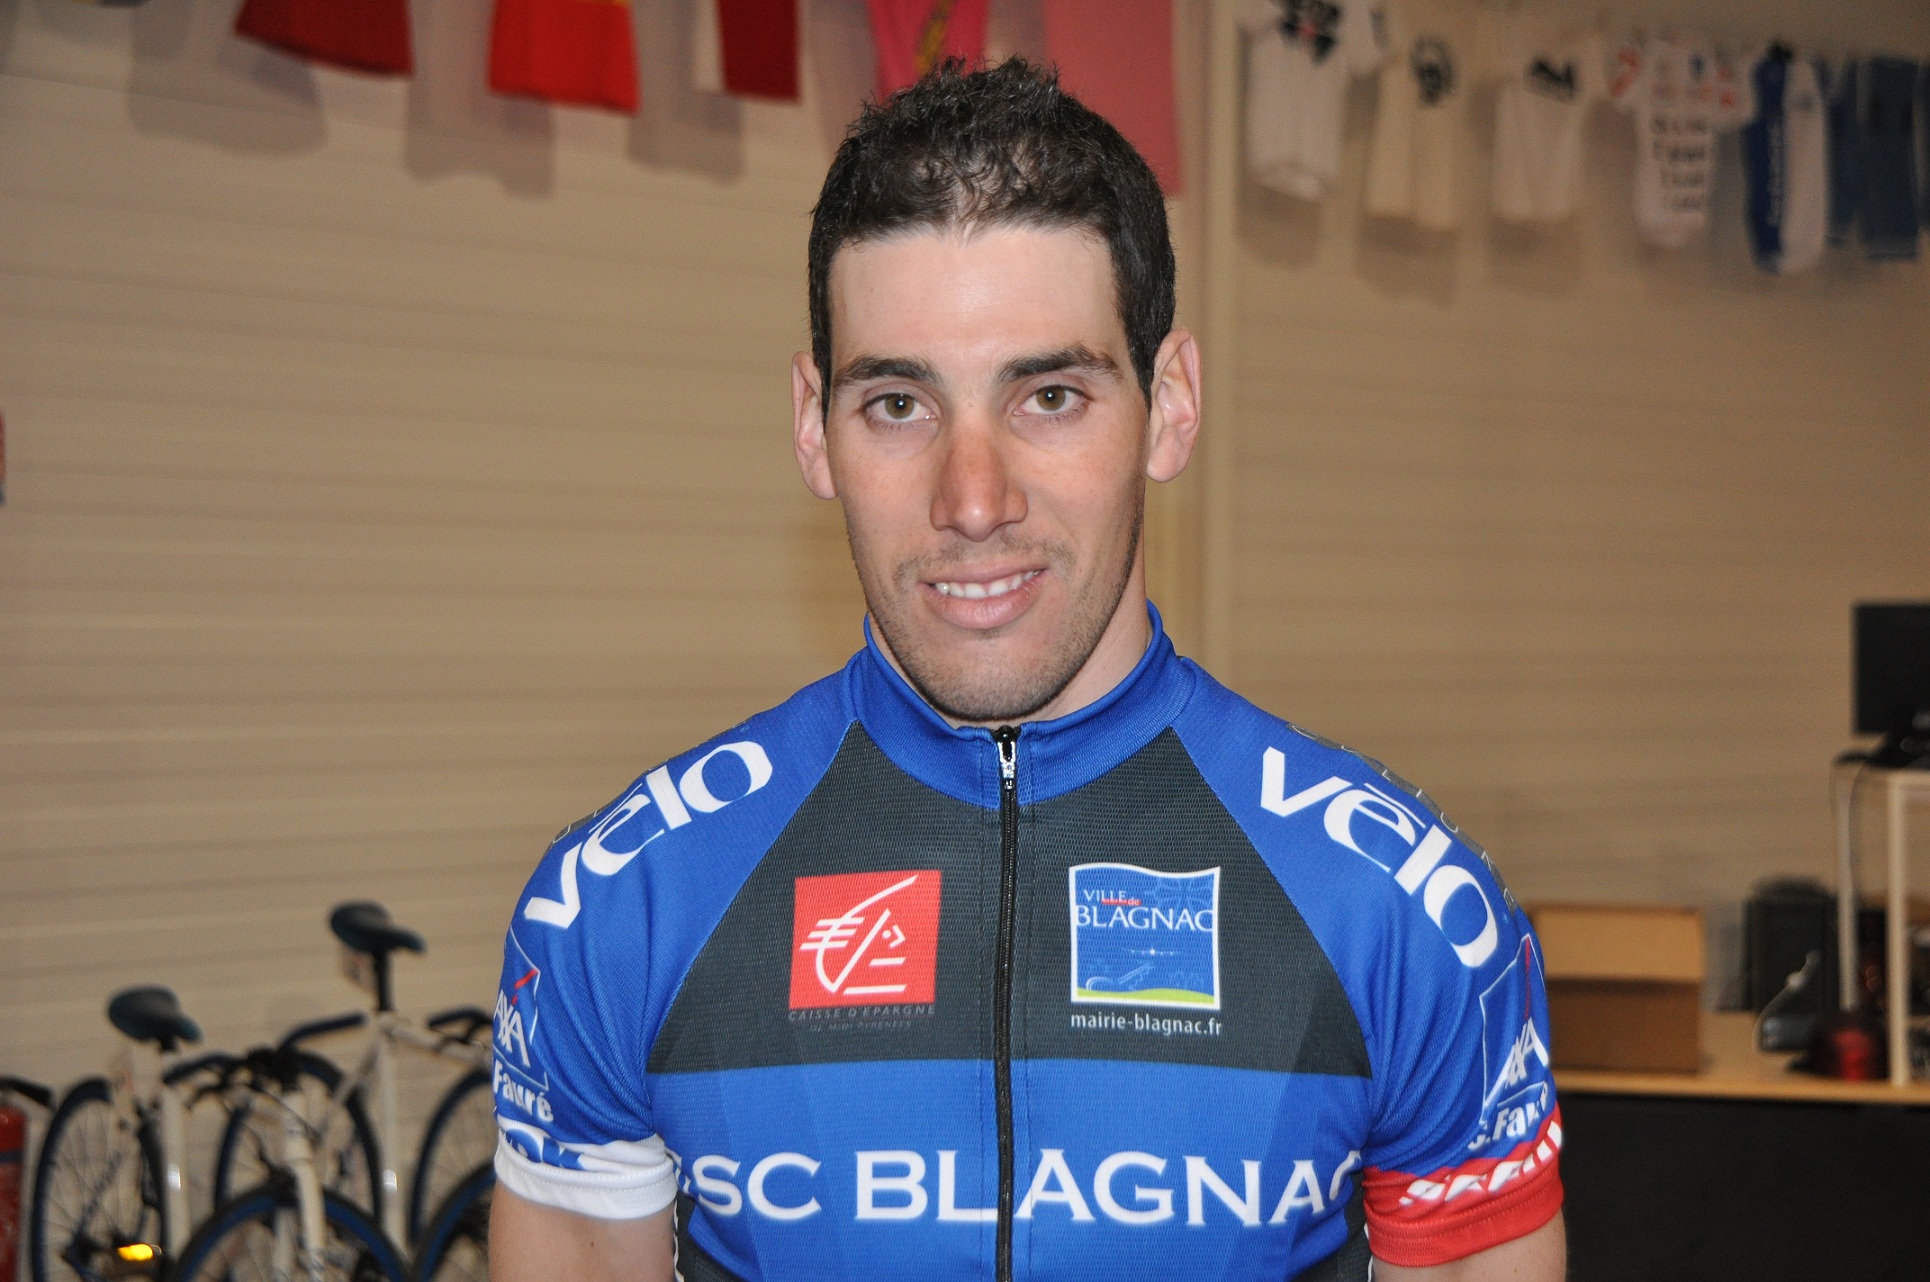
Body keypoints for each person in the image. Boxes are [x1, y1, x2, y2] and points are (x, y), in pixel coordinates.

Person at [488, 58, 1565, 1282]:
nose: (972, 498)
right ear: (811, 426)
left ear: (1170, 403)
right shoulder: (626, 903)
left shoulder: (1402, 911)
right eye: (898, 404)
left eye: (1049, 395)